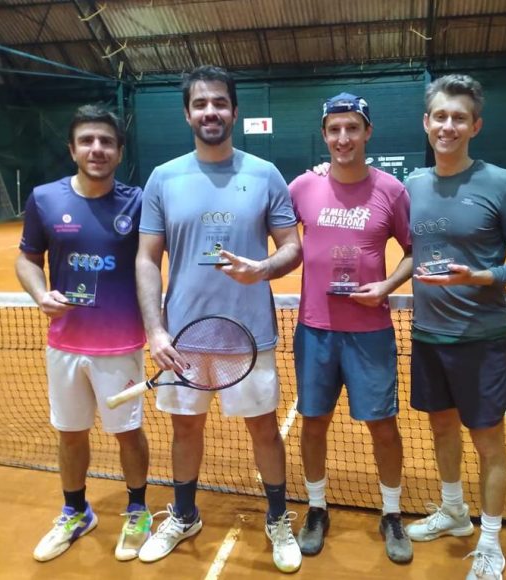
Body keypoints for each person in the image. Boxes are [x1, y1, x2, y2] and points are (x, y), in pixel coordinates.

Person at [135, 65, 303, 573]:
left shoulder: (265, 174)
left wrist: (264, 269)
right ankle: (184, 515)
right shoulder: (163, 178)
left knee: (264, 431)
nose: (211, 111)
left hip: (249, 335)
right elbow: (147, 259)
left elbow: (292, 247)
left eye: (219, 103)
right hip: (183, 337)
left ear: (235, 110)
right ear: (187, 114)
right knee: (185, 431)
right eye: (200, 104)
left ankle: (278, 518)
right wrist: (155, 329)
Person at [405, 74, 506, 579]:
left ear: (475, 126)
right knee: (441, 426)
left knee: (488, 441)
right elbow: (410, 250)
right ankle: (453, 512)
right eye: (440, 116)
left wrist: (481, 276)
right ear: (426, 122)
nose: (448, 126)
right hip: (427, 334)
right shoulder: (412, 185)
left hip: (481, 338)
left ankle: (489, 541)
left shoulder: (502, 183)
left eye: (459, 118)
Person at [16, 104, 151, 562]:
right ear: (72, 149)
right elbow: (27, 259)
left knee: (127, 432)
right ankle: (75, 512)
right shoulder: (44, 199)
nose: (97, 149)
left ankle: (138, 511)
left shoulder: (138, 202)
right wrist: (40, 293)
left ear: (120, 151)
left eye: (107, 141)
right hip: (65, 343)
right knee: (70, 432)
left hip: (120, 344)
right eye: (87, 141)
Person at [289, 93, 414, 563]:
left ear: (367, 133)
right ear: (324, 135)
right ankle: (317, 508)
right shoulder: (303, 186)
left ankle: (391, 513)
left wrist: (387, 285)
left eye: (352, 128)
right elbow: (278, 233)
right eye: (335, 129)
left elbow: (415, 250)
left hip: (370, 332)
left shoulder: (391, 191)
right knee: (313, 422)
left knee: (383, 426)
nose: (344, 138)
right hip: (315, 330)